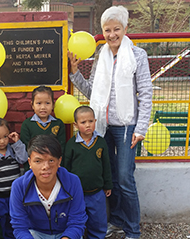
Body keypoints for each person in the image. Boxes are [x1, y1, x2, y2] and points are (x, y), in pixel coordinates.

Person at [68, 6, 153, 239]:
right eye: (107, 30)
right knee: (111, 175)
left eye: (116, 29)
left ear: (126, 29)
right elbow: (92, 91)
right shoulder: (101, 56)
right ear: (102, 31)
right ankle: (115, 221)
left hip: (127, 128)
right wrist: (75, 74)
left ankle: (133, 229)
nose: (112, 34)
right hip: (102, 126)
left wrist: (141, 128)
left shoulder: (138, 55)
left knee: (125, 178)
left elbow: (145, 93)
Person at [9, 134, 87, 239]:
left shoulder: (73, 182)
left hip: (65, 233)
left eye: (51, 160)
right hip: (35, 233)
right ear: (30, 162)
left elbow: (77, 221)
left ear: (59, 161)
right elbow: (20, 227)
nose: (45, 167)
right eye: (38, 161)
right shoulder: (19, 186)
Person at [62, 106, 112, 239]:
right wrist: (65, 187)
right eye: (83, 122)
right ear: (76, 125)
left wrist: (108, 185)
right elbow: (66, 167)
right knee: (76, 219)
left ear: (95, 121)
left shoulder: (100, 142)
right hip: (77, 193)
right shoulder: (71, 144)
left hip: (97, 192)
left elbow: (106, 165)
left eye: (91, 121)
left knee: (98, 220)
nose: (88, 125)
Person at [20, 86, 66, 170]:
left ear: (53, 105)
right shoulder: (27, 124)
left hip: (53, 166)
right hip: (34, 167)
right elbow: (26, 150)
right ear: (32, 105)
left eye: (47, 103)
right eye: (39, 103)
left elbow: (61, 149)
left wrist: (58, 167)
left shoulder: (58, 124)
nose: (43, 107)